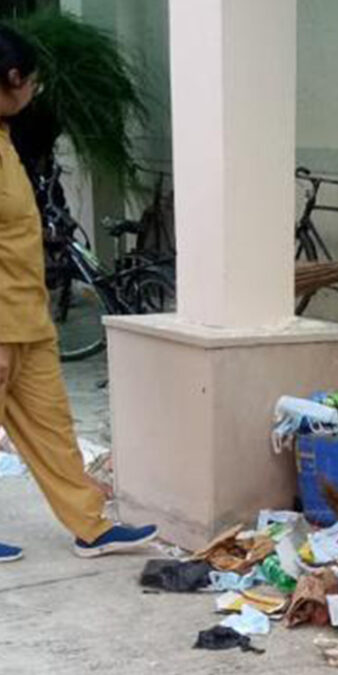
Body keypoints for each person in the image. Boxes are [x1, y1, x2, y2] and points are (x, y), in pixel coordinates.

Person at [0, 25, 157, 564]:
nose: (34, 92)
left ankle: (91, 526)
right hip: (3, 323)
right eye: (33, 83)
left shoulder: (6, 137)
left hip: (29, 318)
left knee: (52, 428)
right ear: (13, 78)